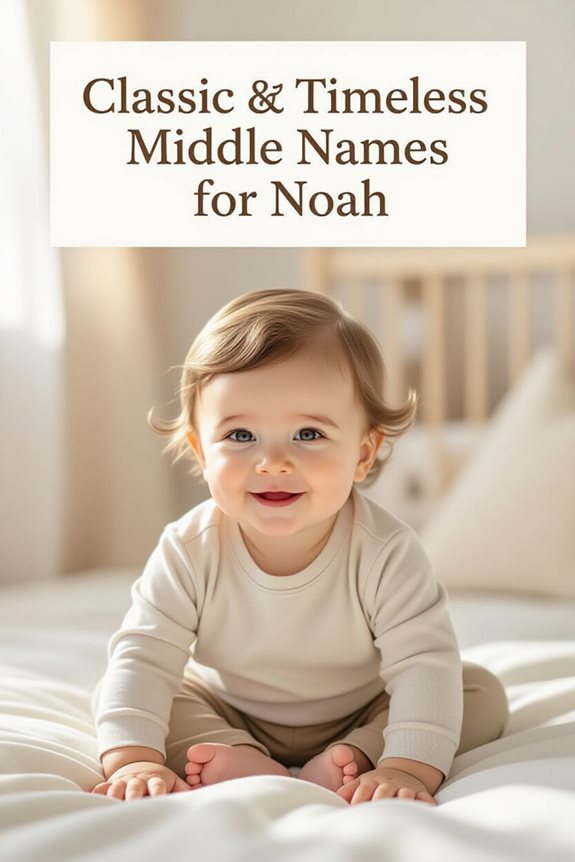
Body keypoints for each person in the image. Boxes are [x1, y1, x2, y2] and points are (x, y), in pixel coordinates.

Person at [91, 288, 508, 805]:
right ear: (200, 450)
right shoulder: (189, 548)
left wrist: (407, 767)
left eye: (308, 433)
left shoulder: (387, 552)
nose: (273, 461)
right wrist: (133, 759)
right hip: (228, 705)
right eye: (241, 436)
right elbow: (145, 654)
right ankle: (235, 753)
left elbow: (423, 660)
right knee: (132, 693)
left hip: (362, 707)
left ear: (363, 452)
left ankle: (363, 755)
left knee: (476, 690)